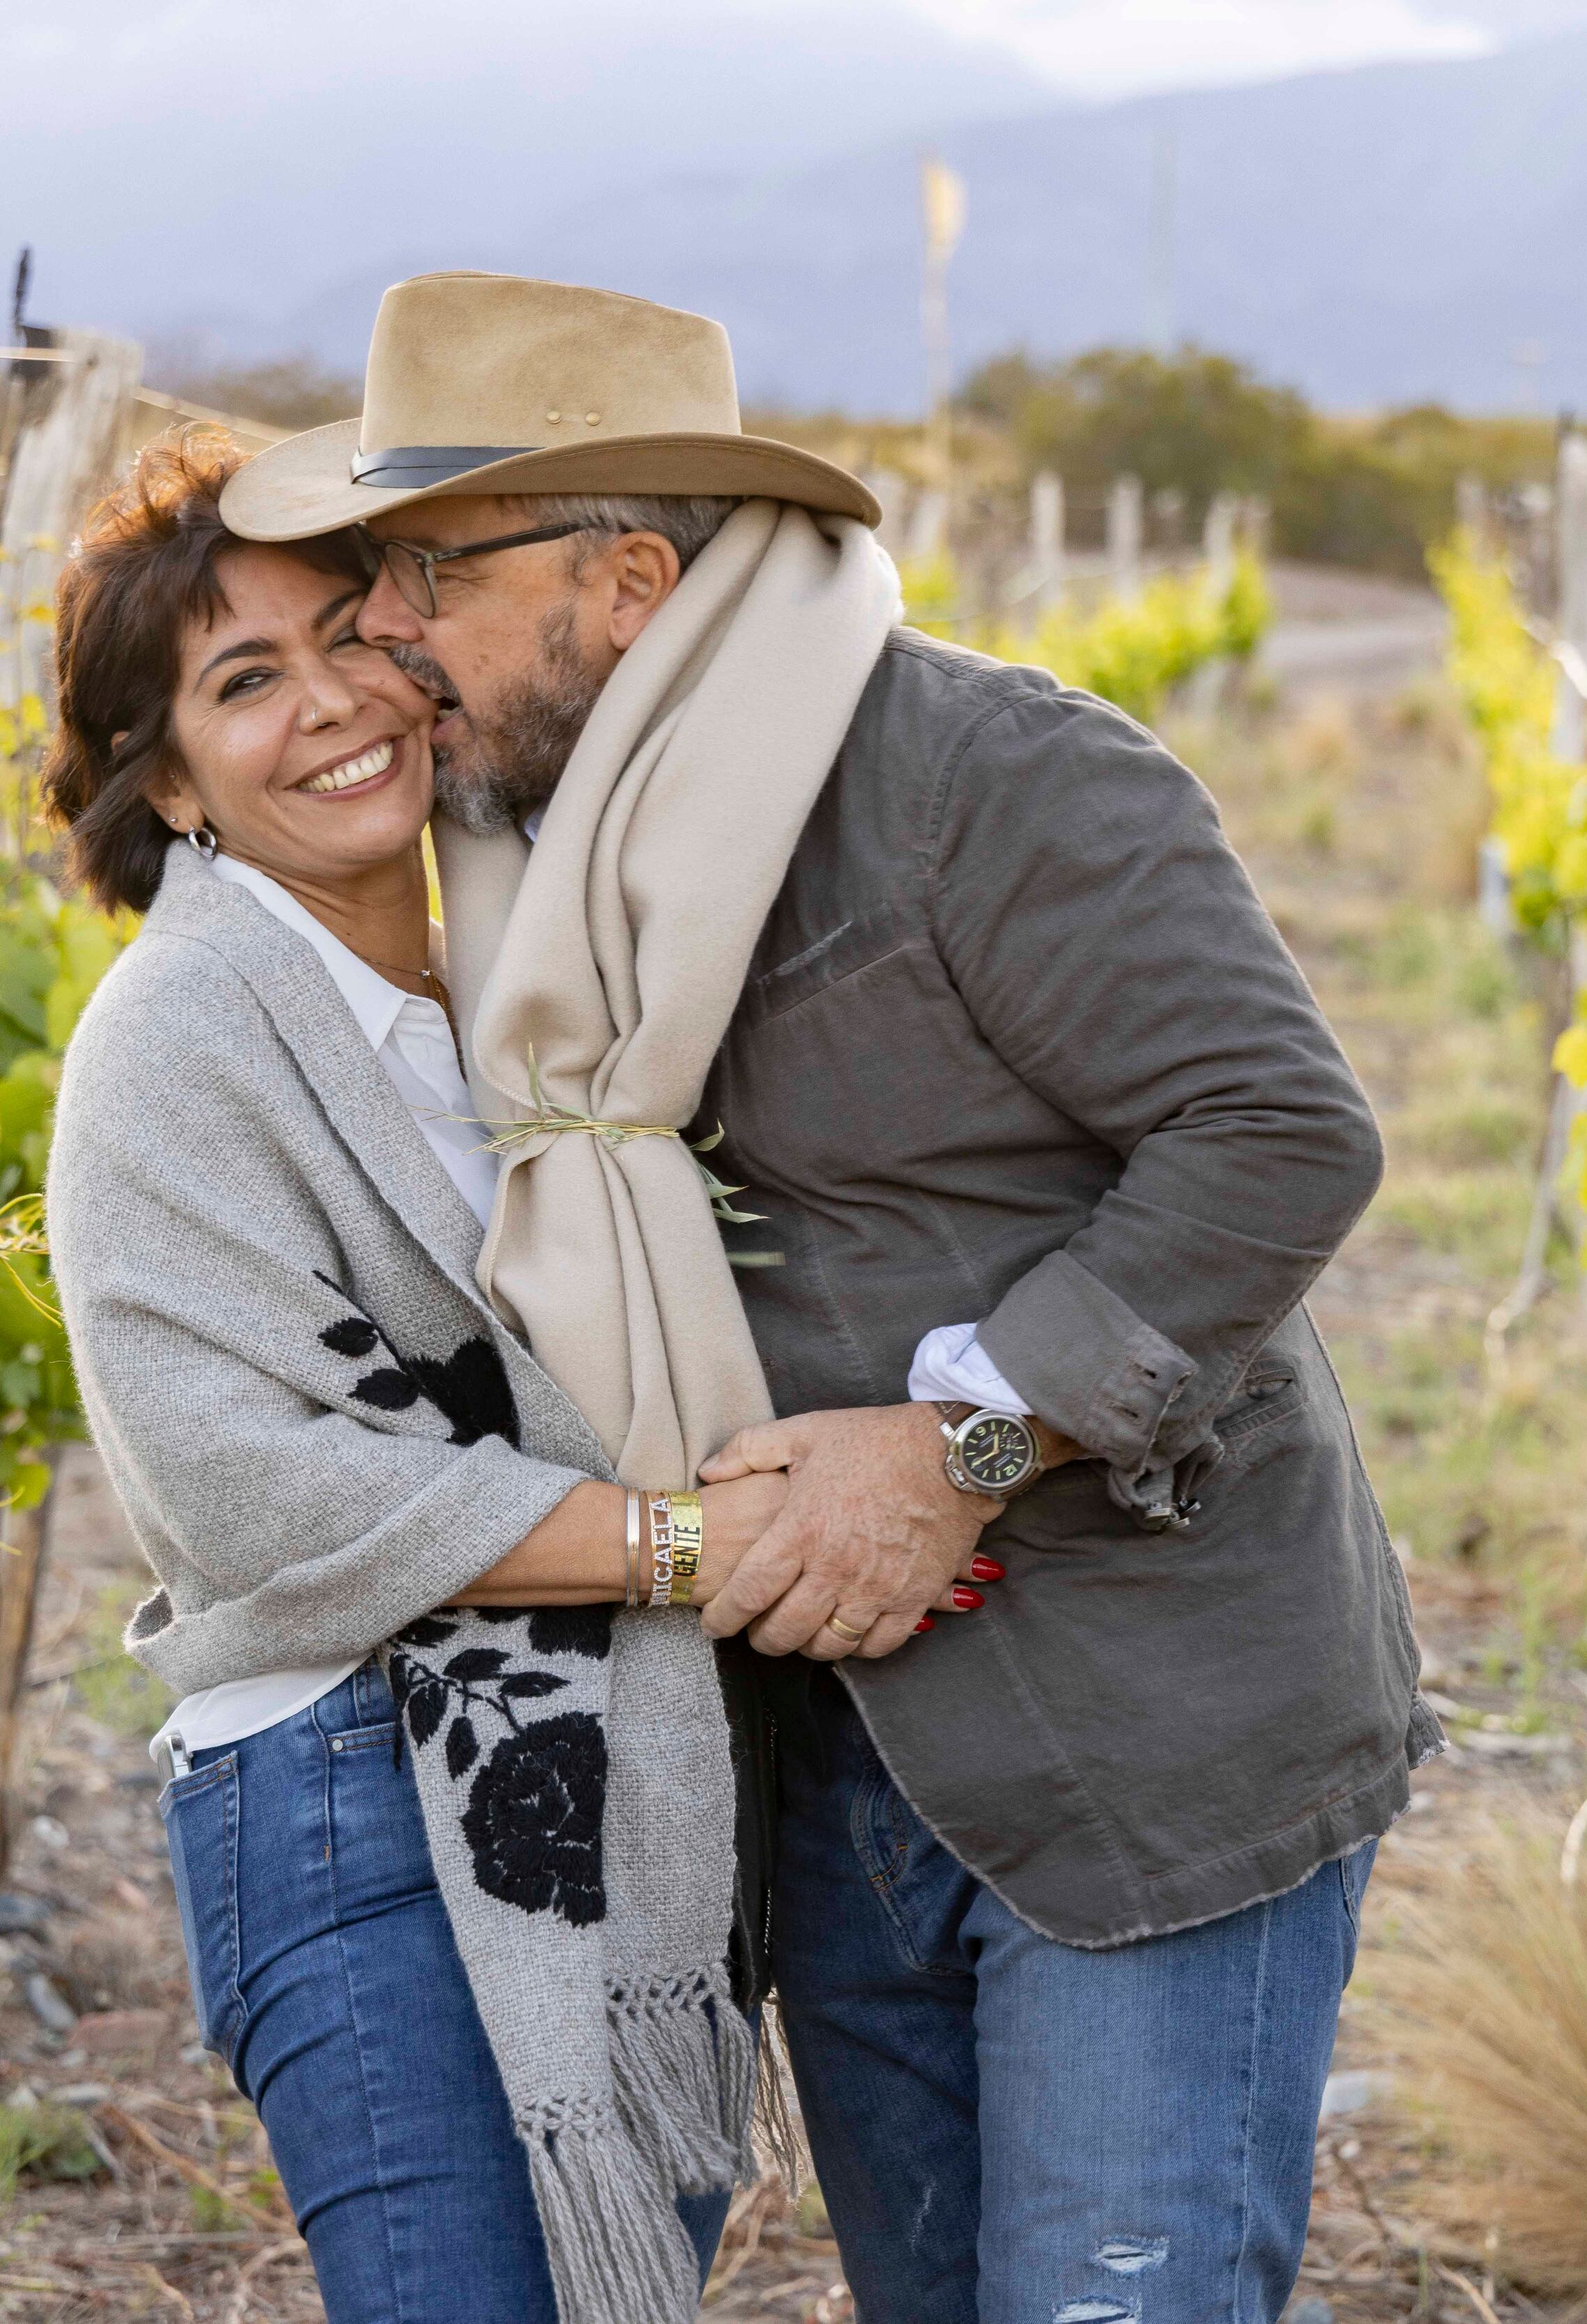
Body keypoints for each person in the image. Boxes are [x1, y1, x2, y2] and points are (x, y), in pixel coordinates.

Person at [222, 272, 1437, 2324]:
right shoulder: (527, 857)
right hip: (820, 1756)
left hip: (1142, 1742)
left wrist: (970, 1444)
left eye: (428, 565)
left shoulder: (990, 774)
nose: (389, 628)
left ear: (621, 580)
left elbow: (1279, 1135)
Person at [38, 434, 991, 2324]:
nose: (331, 706)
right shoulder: (177, 1038)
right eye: (244, 685)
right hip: (348, 1785)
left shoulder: (547, 976)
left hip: (627, 1770)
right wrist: (693, 1550)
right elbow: (253, 1495)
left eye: (349, 634)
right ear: (166, 784)